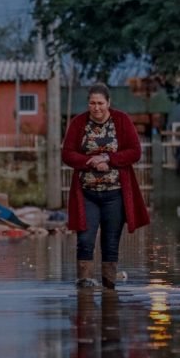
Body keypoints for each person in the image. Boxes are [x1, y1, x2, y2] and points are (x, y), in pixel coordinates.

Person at [62, 84, 150, 288]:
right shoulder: (78, 123)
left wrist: (108, 159)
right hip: (86, 194)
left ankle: (109, 288)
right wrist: (90, 161)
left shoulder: (122, 120)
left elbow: (135, 152)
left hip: (115, 194)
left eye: (100, 103)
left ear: (108, 103)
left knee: (110, 243)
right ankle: (84, 284)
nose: (96, 107)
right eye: (92, 103)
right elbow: (67, 153)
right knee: (85, 240)